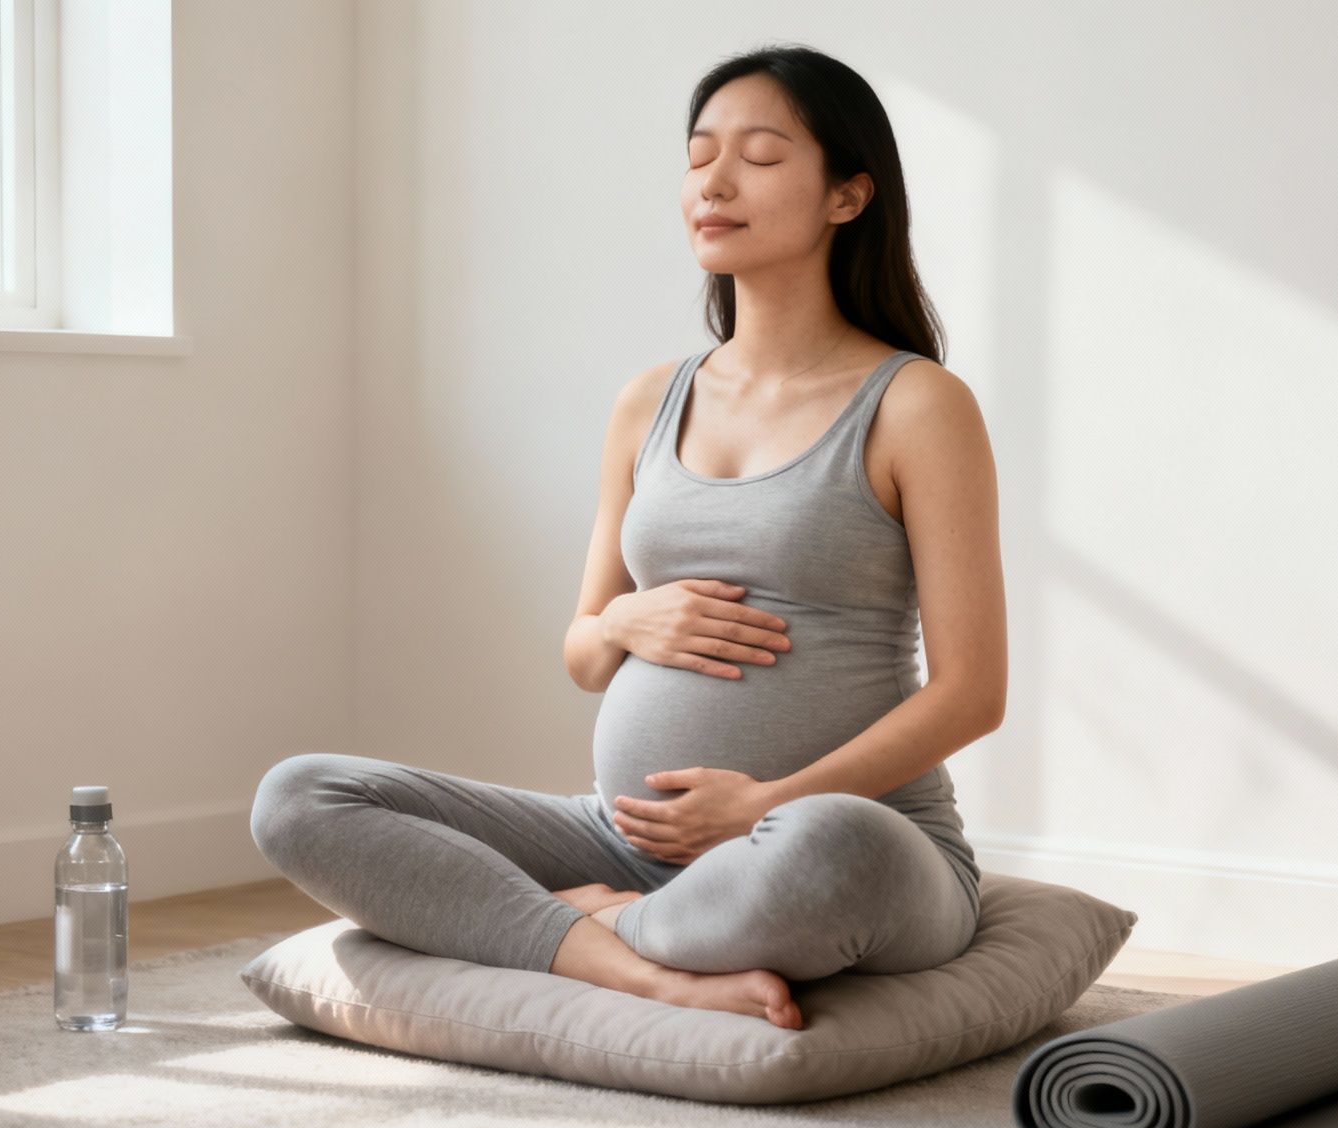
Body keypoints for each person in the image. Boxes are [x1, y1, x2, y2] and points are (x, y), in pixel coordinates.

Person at [251, 43, 1006, 1032]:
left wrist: (764, 805)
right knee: (300, 797)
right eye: (698, 156)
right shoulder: (649, 401)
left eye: (760, 155)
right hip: (618, 834)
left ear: (846, 196)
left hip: (846, 836)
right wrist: (624, 620)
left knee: (828, 854)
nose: (713, 182)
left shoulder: (914, 405)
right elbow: (580, 652)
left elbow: (972, 693)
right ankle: (637, 956)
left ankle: (569, 931)